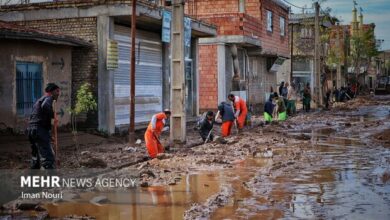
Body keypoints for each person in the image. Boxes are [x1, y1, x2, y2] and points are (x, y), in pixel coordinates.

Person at [27, 83, 60, 169]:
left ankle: (33, 178)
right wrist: (54, 115)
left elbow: (36, 116)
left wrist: (47, 135)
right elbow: (45, 106)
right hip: (39, 130)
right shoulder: (48, 98)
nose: (58, 93)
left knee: (36, 157)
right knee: (48, 158)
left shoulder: (39, 100)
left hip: (31, 130)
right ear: (52, 92)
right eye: (57, 91)